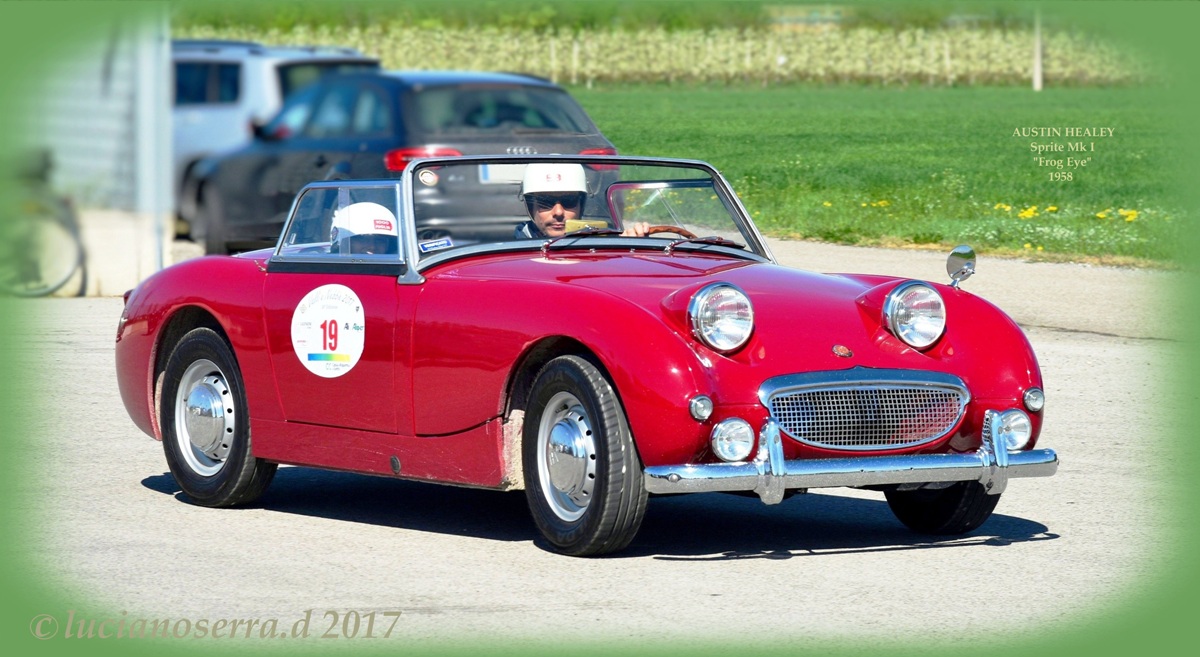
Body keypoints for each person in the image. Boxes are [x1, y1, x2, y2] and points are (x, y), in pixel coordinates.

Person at [514, 162, 649, 239]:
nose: (559, 212)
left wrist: (628, 249)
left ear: (581, 204)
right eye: (546, 202)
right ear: (530, 206)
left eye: (569, 201)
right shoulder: (510, 254)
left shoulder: (602, 246)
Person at [330, 201, 399, 255]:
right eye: (362, 239)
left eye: (379, 240)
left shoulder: (401, 272)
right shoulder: (328, 272)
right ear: (344, 244)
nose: (372, 247)